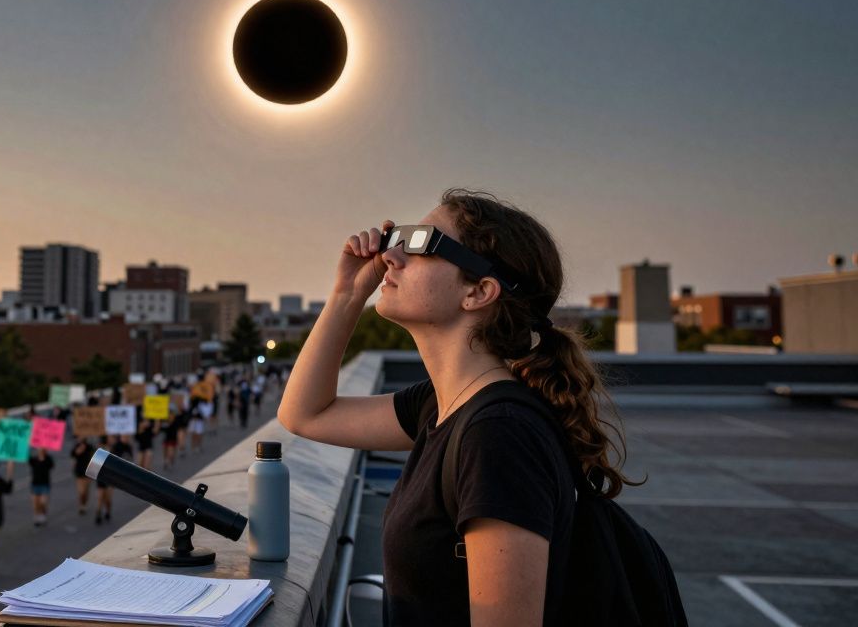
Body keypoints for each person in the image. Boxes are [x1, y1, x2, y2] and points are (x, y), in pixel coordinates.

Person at [277, 195, 648, 625]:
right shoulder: (442, 406)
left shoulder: (498, 436)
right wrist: (347, 294)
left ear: (478, 291)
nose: (390, 256)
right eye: (398, 239)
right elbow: (306, 414)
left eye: (420, 242)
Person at [94, 435, 135, 525]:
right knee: (100, 497)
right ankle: (98, 514)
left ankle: (108, 512)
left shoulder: (118, 448)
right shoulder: (101, 448)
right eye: (109, 437)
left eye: (112, 438)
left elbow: (125, 459)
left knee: (108, 498)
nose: (111, 439)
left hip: (111, 477)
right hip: (101, 475)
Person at [27, 446, 55, 526]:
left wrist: (44, 456)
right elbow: (27, 457)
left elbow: (51, 466)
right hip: (35, 484)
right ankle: (37, 517)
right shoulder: (34, 459)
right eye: (39, 448)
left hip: (45, 484)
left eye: (42, 448)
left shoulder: (48, 459)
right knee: (36, 504)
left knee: (43, 502)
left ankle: (43, 514)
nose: (41, 450)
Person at [70, 438, 95, 515]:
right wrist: (79, 449)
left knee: (86, 491)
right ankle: (81, 505)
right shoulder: (76, 446)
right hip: (79, 472)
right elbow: (73, 455)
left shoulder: (90, 447)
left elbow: (93, 457)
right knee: (81, 491)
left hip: (88, 471)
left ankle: (84, 504)